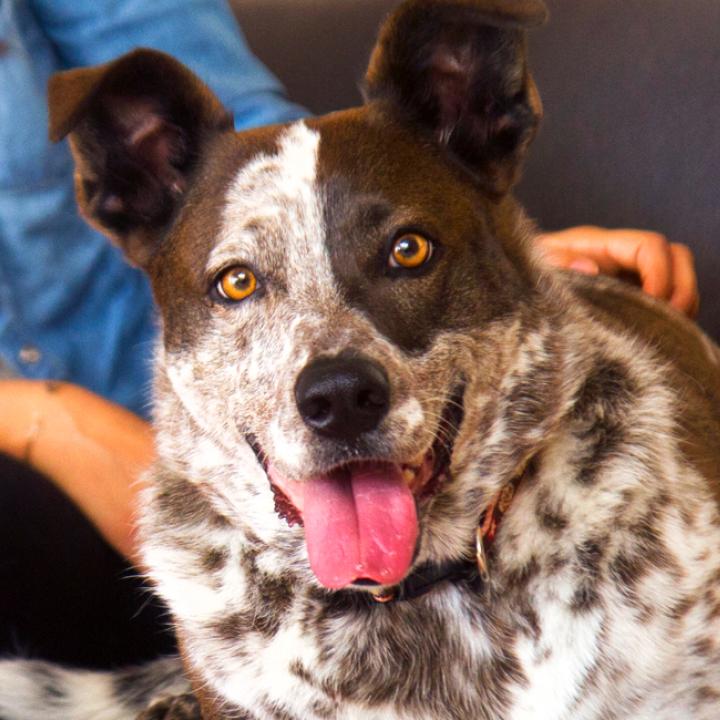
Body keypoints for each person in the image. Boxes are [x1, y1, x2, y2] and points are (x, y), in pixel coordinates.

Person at [0, 0, 699, 668]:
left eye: (407, 254)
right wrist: (44, 418)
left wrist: (473, 243)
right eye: (239, 282)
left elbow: (266, 151)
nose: (332, 376)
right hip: (87, 481)